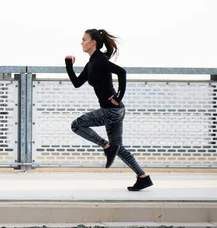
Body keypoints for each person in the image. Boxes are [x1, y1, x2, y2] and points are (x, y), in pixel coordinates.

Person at [65, 29, 153, 191]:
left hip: (111, 111)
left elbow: (122, 72)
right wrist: (69, 65)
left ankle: (107, 147)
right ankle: (143, 177)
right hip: (115, 111)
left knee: (76, 125)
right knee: (119, 148)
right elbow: (77, 83)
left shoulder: (99, 60)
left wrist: (118, 97)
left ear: (93, 43)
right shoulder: (92, 62)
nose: (81, 42)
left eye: (84, 39)